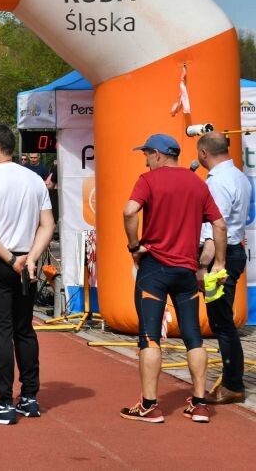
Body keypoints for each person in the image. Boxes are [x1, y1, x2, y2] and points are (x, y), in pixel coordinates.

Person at [117, 133, 227, 424]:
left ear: (157, 154)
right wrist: (219, 263)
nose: (145, 161)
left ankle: (149, 406)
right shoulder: (198, 184)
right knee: (193, 337)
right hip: (186, 271)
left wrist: (133, 246)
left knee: (150, 337)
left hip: (154, 268)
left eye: (146, 155)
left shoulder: (148, 180)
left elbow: (129, 211)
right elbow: (219, 225)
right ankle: (200, 404)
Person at [0, 123, 54, 425]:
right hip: (25, 260)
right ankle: (29, 397)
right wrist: (31, 258)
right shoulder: (34, 179)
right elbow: (48, 224)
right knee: (24, 329)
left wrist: (11, 259)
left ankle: (4, 402)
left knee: (1, 332)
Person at [196, 132, 251, 404]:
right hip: (232, 251)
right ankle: (232, 381)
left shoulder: (217, 182)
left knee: (221, 322)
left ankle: (233, 384)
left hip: (222, 254)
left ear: (203, 153)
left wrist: (206, 265)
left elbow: (215, 228)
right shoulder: (239, 176)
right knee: (223, 320)